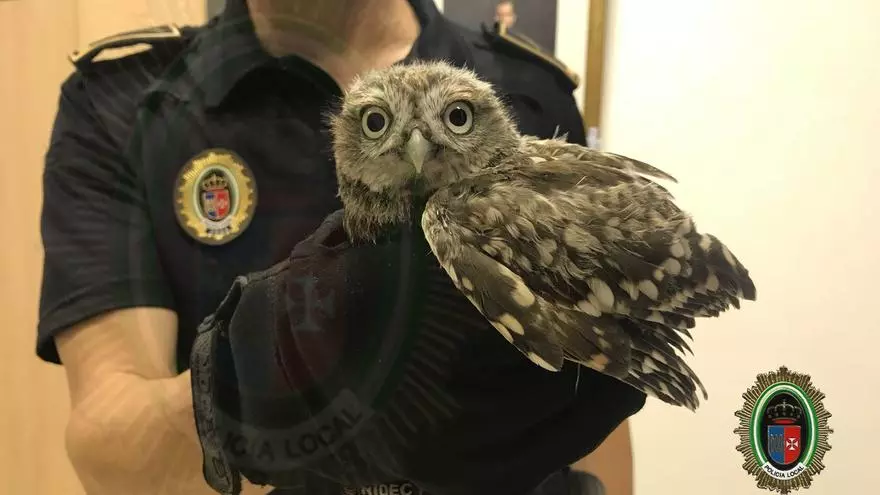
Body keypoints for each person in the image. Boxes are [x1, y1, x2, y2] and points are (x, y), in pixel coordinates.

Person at [36, 0, 644, 494]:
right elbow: (109, 457)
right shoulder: (126, 100)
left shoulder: (527, 88)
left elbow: (598, 404)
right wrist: (254, 385)